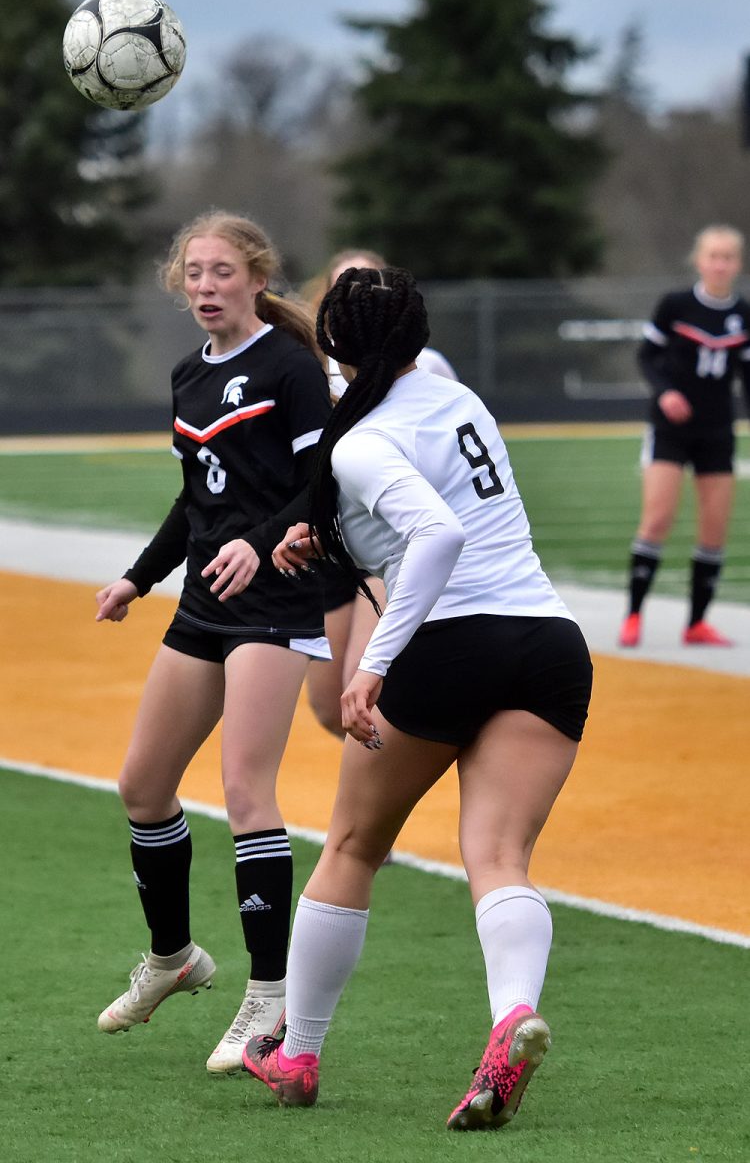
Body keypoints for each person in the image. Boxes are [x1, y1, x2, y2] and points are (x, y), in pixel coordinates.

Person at [242, 266, 593, 1131]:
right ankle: (512, 1018)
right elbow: (405, 514)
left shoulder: (358, 438)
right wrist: (319, 538)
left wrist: (371, 667)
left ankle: (299, 1053)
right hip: (547, 643)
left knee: (354, 847)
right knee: (500, 856)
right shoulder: (456, 395)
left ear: (333, 347)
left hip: (448, 644)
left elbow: (436, 534)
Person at [94, 211, 333, 1075]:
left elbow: (324, 484)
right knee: (144, 784)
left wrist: (262, 538)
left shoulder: (293, 367)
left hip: (279, 596)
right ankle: (174, 959)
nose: (205, 286)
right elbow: (192, 502)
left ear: (257, 277)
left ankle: (269, 996)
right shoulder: (188, 375)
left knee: (244, 788)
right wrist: (137, 577)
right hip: (204, 599)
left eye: (222, 271)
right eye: (193, 272)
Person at [304, 248, 459, 739]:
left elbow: (448, 440)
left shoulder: (424, 365)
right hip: (333, 538)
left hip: (390, 536)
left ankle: (384, 784)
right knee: (328, 707)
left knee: (365, 681)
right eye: (342, 281)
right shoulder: (317, 362)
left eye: (364, 277)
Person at [619, 224, 750, 648]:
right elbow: (647, 356)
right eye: (713, 256)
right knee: (657, 520)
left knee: (714, 530)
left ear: (738, 263)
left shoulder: (743, 314)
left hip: (717, 430)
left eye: (728, 257)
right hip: (669, 428)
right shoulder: (675, 305)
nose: (720, 264)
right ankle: (634, 615)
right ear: (699, 260)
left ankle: (696, 623)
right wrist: (667, 392)